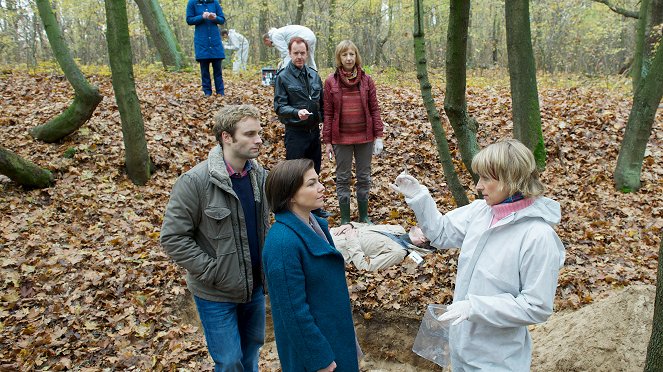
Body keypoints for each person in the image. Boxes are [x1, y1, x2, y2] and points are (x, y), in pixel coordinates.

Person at [391, 139, 565, 371]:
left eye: (485, 178)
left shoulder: (537, 236)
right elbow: (440, 234)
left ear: (510, 179)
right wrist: (420, 198)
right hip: (462, 347)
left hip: (498, 361)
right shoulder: (481, 212)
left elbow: (537, 306)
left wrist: (475, 308)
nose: (478, 186)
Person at [160, 105, 269, 371]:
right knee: (229, 361)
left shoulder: (260, 176)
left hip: (254, 288)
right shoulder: (195, 182)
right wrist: (214, 271)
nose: (259, 140)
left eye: (259, 133)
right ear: (226, 137)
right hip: (216, 293)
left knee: (251, 351)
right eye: (250, 134)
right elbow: (173, 238)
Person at [262, 159, 360, 372]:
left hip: (334, 337)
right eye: (311, 183)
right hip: (316, 357)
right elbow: (293, 311)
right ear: (289, 195)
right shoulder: (282, 243)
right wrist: (319, 359)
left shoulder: (317, 227)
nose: (321, 187)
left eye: (318, 181)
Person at [323, 40, 384, 224]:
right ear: (339, 58)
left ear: (356, 56)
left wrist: (378, 136)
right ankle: (345, 219)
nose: (349, 58)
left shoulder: (367, 80)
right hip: (341, 138)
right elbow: (327, 112)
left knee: (364, 177)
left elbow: (374, 109)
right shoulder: (330, 81)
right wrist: (327, 141)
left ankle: (364, 217)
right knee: (343, 178)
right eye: (344, 55)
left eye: (351, 54)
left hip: (365, 137)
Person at [273, 36, 328, 218]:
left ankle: (314, 209)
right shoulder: (283, 77)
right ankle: (294, 210)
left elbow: (323, 104)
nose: (299, 57)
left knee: (314, 172)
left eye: (302, 53)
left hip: (313, 133)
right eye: (295, 53)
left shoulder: (313, 75)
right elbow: (279, 106)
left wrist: (326, 123)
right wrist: (296, 112)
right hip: (295, 133)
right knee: (295, 175)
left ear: (307, 53)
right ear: (289, 53)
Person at [330, 223, 432, 271]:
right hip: (331, 232)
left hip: (332, 249)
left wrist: (351, 240)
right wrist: (351, 225)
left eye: (421, 228)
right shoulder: (398, 228)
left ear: (423, 239)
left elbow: (366, 267)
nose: (418, 224)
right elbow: (369, 226)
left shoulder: (399, 253)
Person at [186, 0, 226, 96]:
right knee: (204, 71)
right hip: (202, 42)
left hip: (215, 41)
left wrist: (215, 17)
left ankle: (220, 93)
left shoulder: (214, 2)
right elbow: (189, 20)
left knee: (218, 71)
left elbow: (222, 19)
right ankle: (207, 93)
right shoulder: (192, 2)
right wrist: (202, 17)